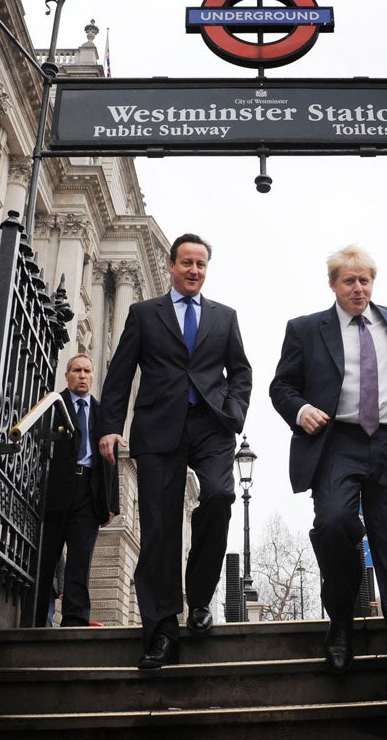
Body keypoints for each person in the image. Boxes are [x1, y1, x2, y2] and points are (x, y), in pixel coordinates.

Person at [269, 244, 387, 705]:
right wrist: (301, 408)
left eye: (365, 280)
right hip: (337, 440)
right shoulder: (306, 329)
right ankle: (340, 619)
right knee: (333, 523)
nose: (359, 288)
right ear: (333, 285)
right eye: (349, 281)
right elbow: (280, 386)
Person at [98, 233, 252, 669]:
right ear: (171, 266)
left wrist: (234, 411)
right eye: (186, 263)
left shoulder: (225, 317)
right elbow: (121, 370)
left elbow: (241, 371)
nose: (194, 271)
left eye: (201, 264)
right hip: (158, 428)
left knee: (221, 497)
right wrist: (110, 426)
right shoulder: (144, 314)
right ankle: (162, 630)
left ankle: (199, 598)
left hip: (210, 427)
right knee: (160, 528)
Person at [34, 353, 119, 628]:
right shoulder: (53, 405)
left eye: (87, 371)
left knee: (80, 560)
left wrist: (111, 504)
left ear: (93, 377)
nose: (82, 375)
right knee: (47, 556)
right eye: (76, 370)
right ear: (67, 375)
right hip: (56, 489)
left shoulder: (101, 413)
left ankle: (75, 619)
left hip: (89, 493)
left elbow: (111, 461)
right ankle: (34, 616)